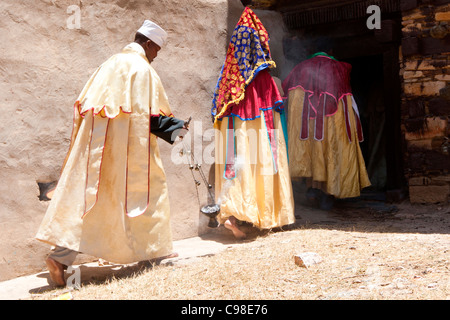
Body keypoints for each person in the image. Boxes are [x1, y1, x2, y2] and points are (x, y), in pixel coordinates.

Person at [36, 20, 188, 286]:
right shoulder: (142, 69)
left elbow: (85, 105)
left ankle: (60, 257)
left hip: (95, 150)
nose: (156, 56)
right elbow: (149, 117)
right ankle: (154, 252)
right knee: (148, 194)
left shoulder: (109, 64)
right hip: (128, 154)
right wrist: (178, 129)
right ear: (149, 44)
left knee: (90, 202)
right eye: (156, 51)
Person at [211, 8, 295, 239]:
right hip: (259, 132)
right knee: (261, 165)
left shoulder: (226, 78)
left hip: (232, 134)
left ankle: (231, 214)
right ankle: (264, 215)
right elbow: (276, 117)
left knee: (236, 167)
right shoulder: (264, 79)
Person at [282, 47, 371, 210]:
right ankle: (327, 193)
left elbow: (286, 89)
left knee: (313, 152)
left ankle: (313, 190)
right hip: (334, 119)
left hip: (308, 121)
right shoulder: (340, 67)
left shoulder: (301, 67)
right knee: (331, 151)